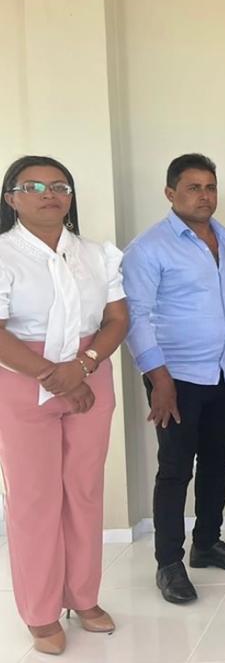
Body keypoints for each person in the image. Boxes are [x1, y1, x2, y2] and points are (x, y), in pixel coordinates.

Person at [0, 156, 128, 654]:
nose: (49, 194)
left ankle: (83, 596)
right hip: (22, 379)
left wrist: (85, 365)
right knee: (34, 499)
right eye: (33, 187)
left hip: (90, 374)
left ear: (71, 197)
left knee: (84, 490)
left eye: (59, 186)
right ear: (11, 198)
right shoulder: (4, 254)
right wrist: (55, 377)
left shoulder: (97, 254)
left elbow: (117, 319)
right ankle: (40, 612)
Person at [123, 154, 225, 605]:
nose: (204, 196)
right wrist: (158, 379)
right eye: (193, 187)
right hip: (176, 378)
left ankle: (207, 543)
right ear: (170, 193)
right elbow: (135, 317)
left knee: (218, 460)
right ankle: (169, 563)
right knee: (176, 469)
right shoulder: (149, 248)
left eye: (210, 187)